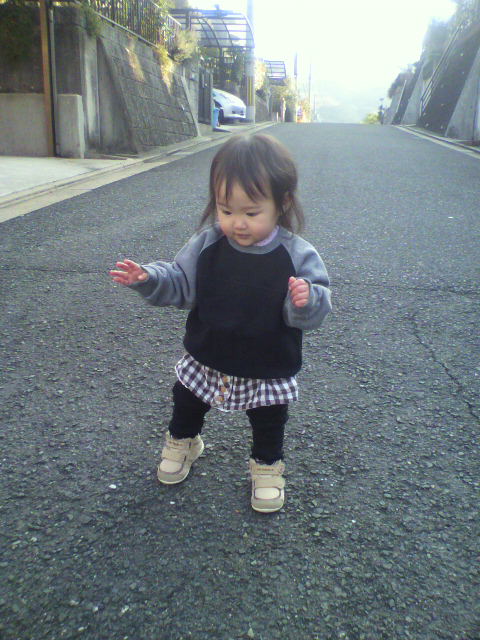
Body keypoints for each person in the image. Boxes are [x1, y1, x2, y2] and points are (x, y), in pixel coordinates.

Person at [109, 133, 332, 513]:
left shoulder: (297, 254)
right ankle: (183, 442)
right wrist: (149, 278)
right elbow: (180, 281)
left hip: (268, 362)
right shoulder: (207, 243)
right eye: (226, 210)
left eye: (251, 213)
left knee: (268, 418)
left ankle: (266, 466)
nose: (237, 223)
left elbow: (317, 307)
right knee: (187, 401)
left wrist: (306, 300)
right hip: (208, 352)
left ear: (282, 203)